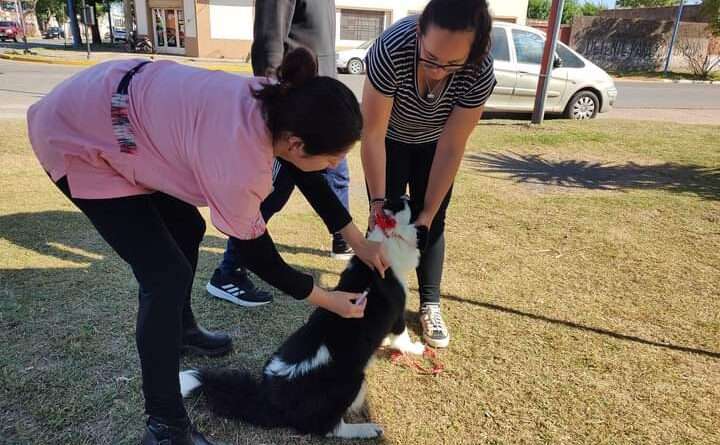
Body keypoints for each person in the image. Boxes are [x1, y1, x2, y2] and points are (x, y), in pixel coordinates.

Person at [27, 48, 387, 445]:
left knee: (186, 226)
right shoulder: (238, 161)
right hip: (78, 135)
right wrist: (326, 298)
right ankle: (165, 427)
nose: (336, 166)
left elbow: (308, 174)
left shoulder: (280, 102)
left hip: (118, 108)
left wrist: (357, 241)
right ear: (298, 144)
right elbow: (256, 253)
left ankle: (179, 330)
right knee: (164, 275)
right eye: (335, 157)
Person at [362, 0, 496, 348]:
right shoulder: (391, 49)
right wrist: (377, 201)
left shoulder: (480, 69)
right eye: (431, 58)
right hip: (389, 139)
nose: (438, 71)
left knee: (432, 225)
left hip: (435, 144)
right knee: (383, 221)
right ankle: (375, 300)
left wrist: (428, 211)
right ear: (420, 32)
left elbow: (453, 145)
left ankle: (430, 304)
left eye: (453, 64)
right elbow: (372, 133)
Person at [206, 0, 351, 307]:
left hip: (317, 113)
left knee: (324, 179)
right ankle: (229, 270)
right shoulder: (259, 154)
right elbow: (268, 44)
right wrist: (277, 119)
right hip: (293, 116)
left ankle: (344, 240)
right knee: (267, 198)